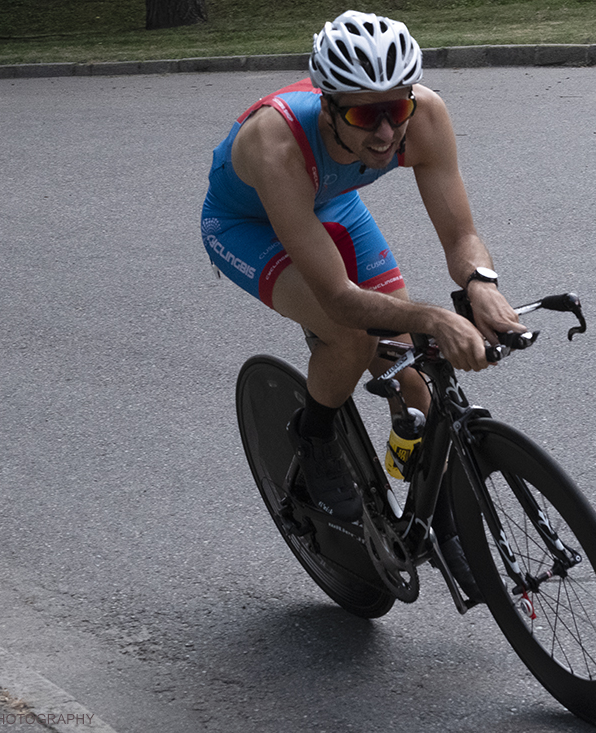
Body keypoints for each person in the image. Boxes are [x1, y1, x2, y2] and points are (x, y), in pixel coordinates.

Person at [202, 10, 525, 535]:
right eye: (363, 117)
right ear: (327, 107)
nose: (385, 132)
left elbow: (461, 236)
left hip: (330, 203)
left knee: (413, 375)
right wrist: (437, 318)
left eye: (396, 109)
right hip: (247, 222)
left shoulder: (424, 117)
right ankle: (315, 437)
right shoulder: (276, 141)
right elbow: (336, 297)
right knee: (349, 335)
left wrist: (481, 283)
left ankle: (439, 523)